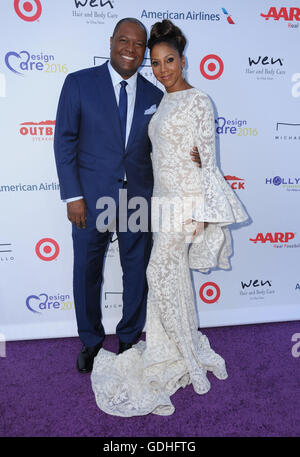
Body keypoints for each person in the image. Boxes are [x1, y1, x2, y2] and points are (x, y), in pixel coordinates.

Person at [91, 19, 248, 416]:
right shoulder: (162, 100)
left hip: (185, 206)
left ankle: (187, 356)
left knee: (157, 272)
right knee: (171, 277)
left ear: (182, 60)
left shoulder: (198, 100)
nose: (163, 70)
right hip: (161, 204)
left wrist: (202, 215)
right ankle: (172, 348)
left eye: (170, 60)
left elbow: (207, 164)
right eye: (156, 63)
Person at [54, 18, 201, 374]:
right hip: (91, 199)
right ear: (111, 42)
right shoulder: (79, 83)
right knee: (87, 271)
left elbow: (168, 142)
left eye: (138, 45)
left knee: (135, 271)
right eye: (124, 41)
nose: (130, 50)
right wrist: (73, 196)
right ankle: (90, 340)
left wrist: (194, 155)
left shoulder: (156, 96)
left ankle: (129, 339)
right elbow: (64, 141)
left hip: (136, 199)